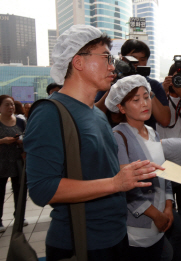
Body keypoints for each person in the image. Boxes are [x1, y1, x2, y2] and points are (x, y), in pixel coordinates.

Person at [24, 25, 159, 261]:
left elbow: (95, 169)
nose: (112, 66)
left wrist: (123, 173)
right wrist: (115, 183)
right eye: (106, 58)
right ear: (78, 62)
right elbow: (42, 189)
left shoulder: (96, 113)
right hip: (81, 243)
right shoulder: (50, 113)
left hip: (115, 236)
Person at [105, 75, 174, 261]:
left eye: (146, 96)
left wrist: (168, 206)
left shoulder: (152, 132)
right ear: (121, 107)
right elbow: (126, 187)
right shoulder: (119, 136)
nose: (145, 103)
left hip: (161, 217)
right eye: (136, 100)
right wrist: (155, 214)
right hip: (138, 224)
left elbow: (163, 171)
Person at [95, 40, 171, 129]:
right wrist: (115, 87)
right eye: (133, 58)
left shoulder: (153, 85)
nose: (137, 63)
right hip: (115, 138)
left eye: (142, 59)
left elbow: (165, 120)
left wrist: (145, 87)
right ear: (123, 59)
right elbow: (94, 115)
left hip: (146, 140)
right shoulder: (111, 82)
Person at [0, 95, 26, 233]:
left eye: (12, 104)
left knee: (20, 190)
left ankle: (20, 216)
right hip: (1, 162)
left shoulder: (21, 121)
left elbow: (27, 135)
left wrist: (21, 140)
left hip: (18, 160)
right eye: (7, 105)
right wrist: (3, 141)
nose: (11, 107)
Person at [158, 62, 181, 143]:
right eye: (176, 77)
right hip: (163, 147)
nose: (179, 80)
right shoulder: (159, 96)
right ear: (169, 77)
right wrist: (163, 91)